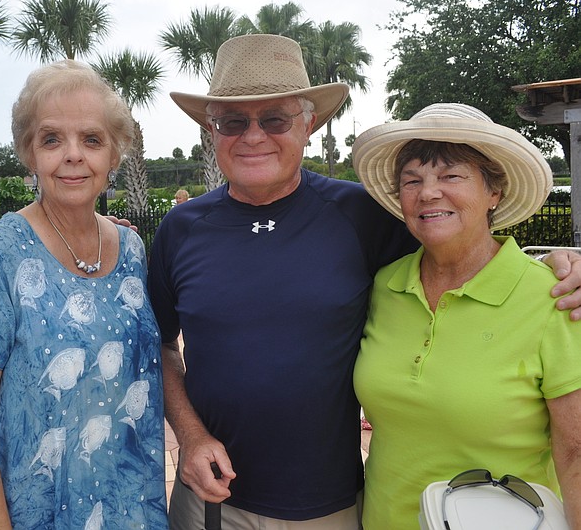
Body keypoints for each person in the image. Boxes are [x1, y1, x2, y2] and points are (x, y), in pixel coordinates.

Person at [147, 34, 581, 530]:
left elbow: (457, 245)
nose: (253, 136)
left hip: (330, 507)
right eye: (232, 121)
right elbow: (159, 343)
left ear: (309, 124)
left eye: (274, 119)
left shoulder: (359, 216)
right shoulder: (181, 228)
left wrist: (560, 265)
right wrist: (190, 435)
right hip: (209, 503)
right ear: (211, 130)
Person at [0, 60, 168, 529]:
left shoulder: (131, 250)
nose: (73, 155)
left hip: (131, 509)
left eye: (92, 139)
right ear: (29, 153)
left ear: (115, 154)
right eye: (51, 139)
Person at [352, 103, 581, 529]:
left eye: (451, 176)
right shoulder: (385, 286)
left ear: (494, 192)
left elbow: (576, 453)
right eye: (412, 180)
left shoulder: (555, 296)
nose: (428, 193)